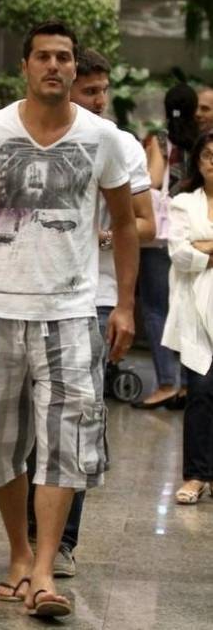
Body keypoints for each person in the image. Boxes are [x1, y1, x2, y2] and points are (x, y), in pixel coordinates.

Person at [0, 21, 139, 618]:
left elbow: (125, 224)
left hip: (70, 312)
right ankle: (18, 552)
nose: (54, 66)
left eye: (64, 57)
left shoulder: (103, 137)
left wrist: (123, 305)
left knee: (66, 441)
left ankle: (43, 570)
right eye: (43, 56)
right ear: (25, 66)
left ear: (74, 67)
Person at [27, 47, 156, 578]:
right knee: (30, 422)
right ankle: (28, 538)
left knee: (76, 421)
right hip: (31, 296)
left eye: (104, 91)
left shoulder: (119, 144)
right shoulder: (28, 134)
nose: (100, 100)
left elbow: (144, 223)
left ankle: (60, 541)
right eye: (91, 91)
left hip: (94, 298)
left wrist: (101, 237)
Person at [133, 84, 199, 409]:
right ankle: (187, 384)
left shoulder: (161, 140)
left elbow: (152, 179)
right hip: (192, 233)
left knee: (156, 308)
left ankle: (166, 383)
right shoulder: (202, 142)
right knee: (186, 307)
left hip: (160, 236)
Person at [162, 130, 213, 504]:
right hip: (196, 309)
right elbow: (179, 253)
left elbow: (193, 248)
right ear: (198, 160)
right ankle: (196, 475)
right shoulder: (183, 203)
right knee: (201, 391)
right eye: (209, 155)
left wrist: (203, 246)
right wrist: (197, 251)